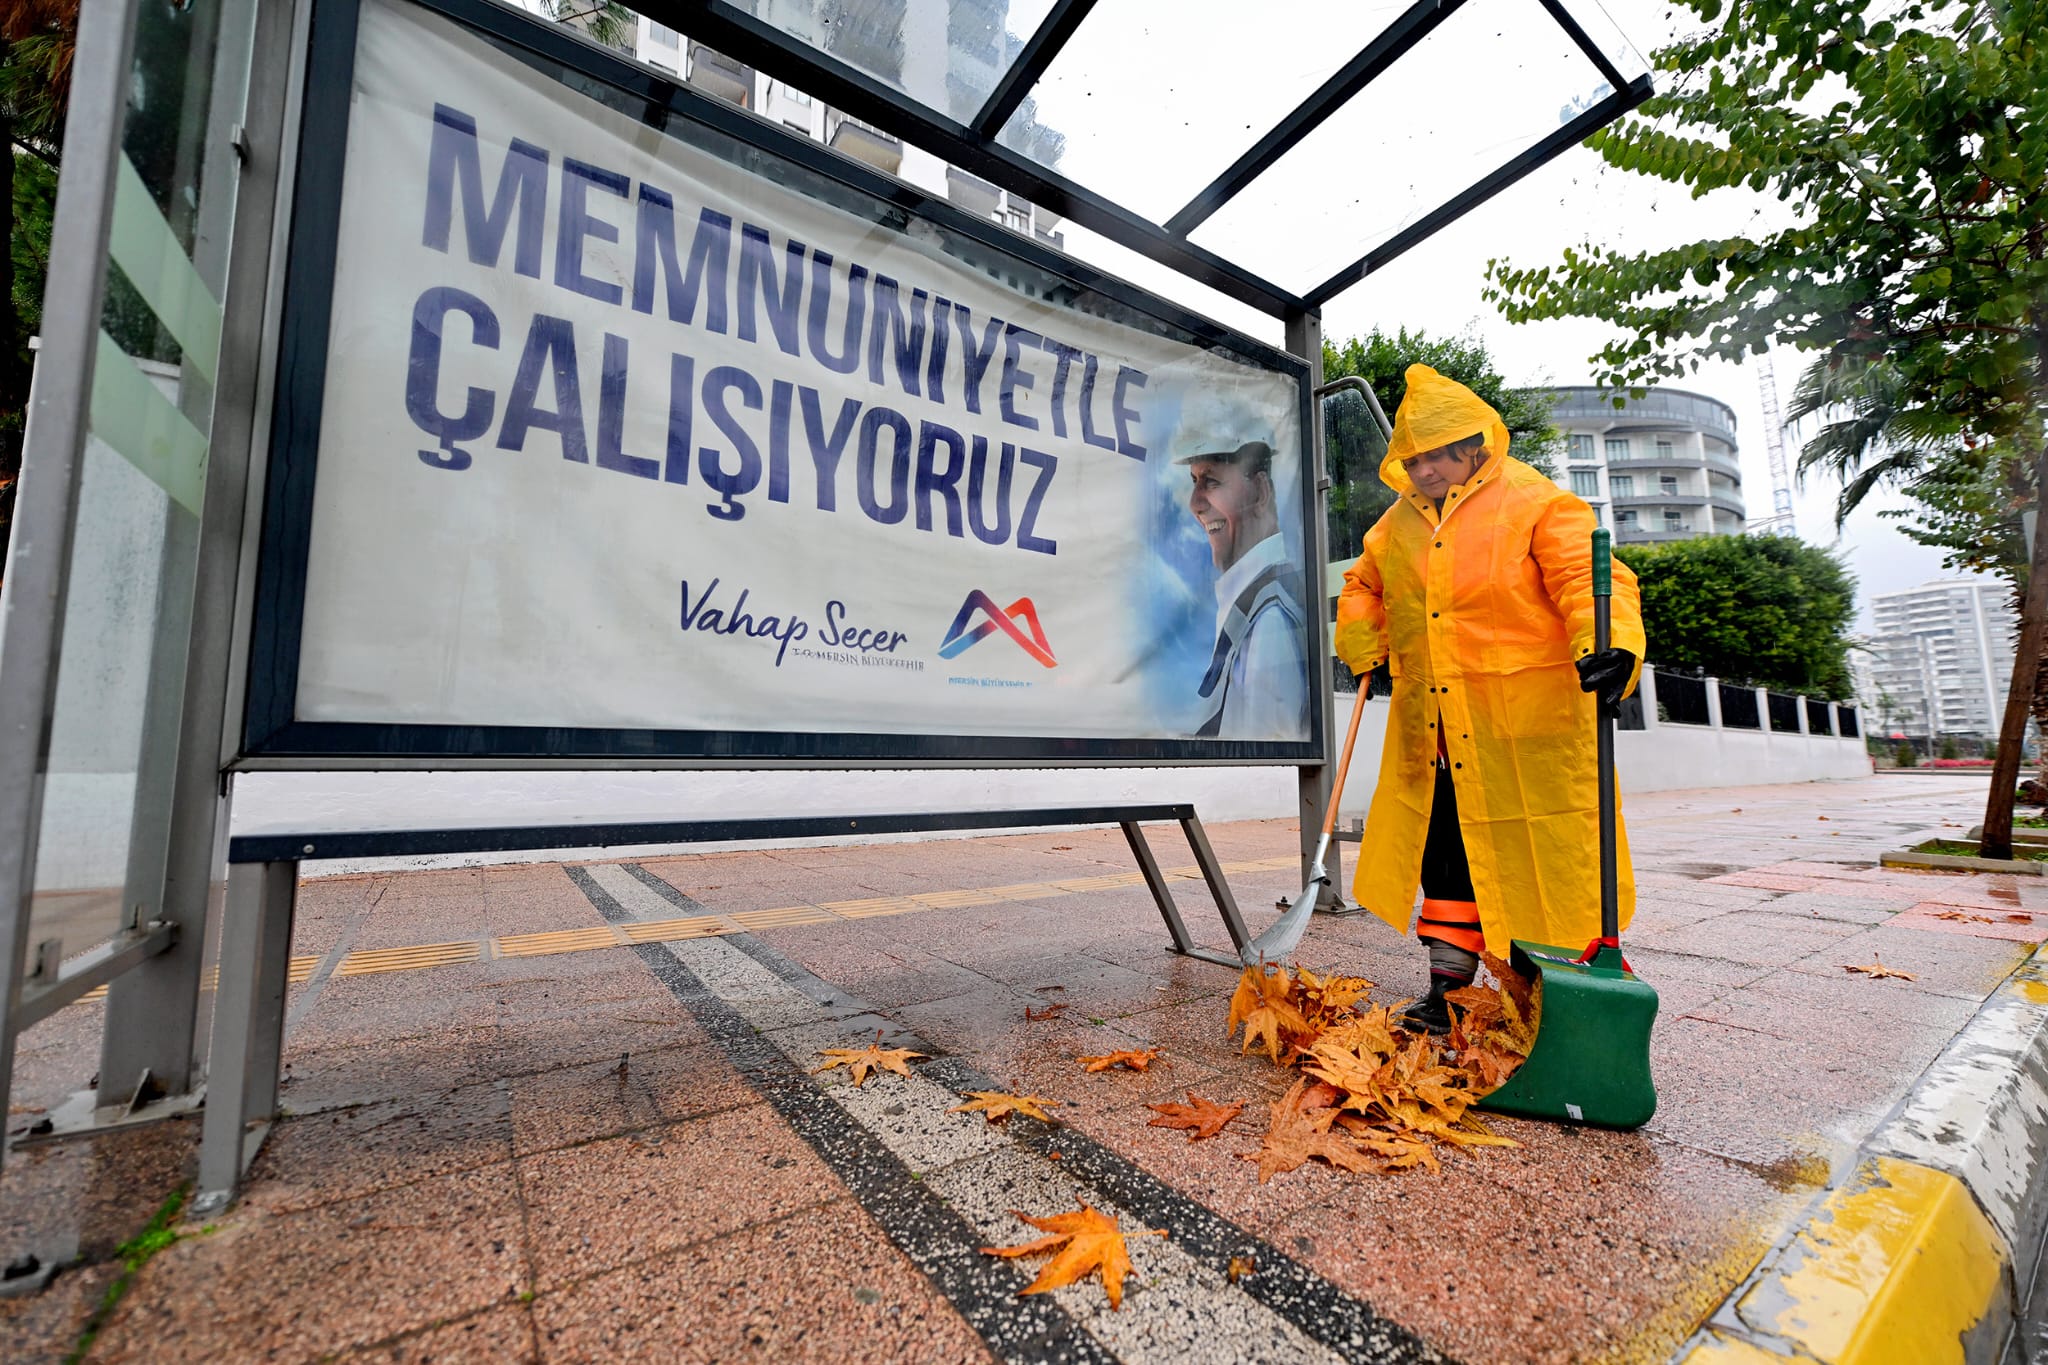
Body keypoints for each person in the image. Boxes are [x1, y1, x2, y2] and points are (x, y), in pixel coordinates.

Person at [1333, 365, 1645, 1032]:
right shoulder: (1398, 524)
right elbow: (1362, 584)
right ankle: (1448, 990)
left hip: (1526, 730)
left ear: (1473, 447)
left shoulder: (1534, 501)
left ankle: (1550, 983)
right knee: (1446, 859)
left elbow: (1588, 576)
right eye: (1411, 459)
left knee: (1544, 860)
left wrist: (1609, 641)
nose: (1423, 472)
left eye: (1435, 457)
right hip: (1439, 732)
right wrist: (1365, 640)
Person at [1178, 436, 1310, 740]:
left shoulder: (1269, 620)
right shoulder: (1254, 599)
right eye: (1194, 481)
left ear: (1261, 492)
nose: (1194, 504)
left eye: (1210, 481)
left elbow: (1269, 766)